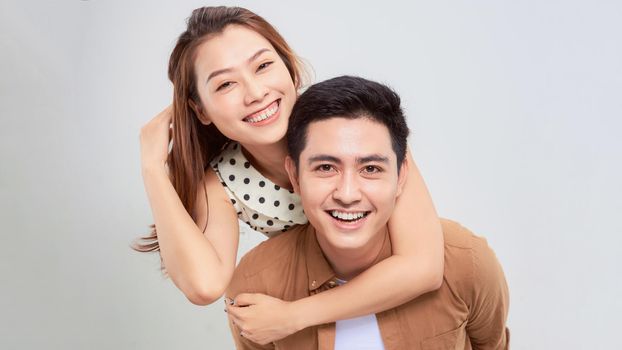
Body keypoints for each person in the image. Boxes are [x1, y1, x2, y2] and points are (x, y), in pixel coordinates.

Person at [136, 6, 444, 344]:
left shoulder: (351, 119)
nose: (255, 93)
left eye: (264, 66)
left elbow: (423, 267)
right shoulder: (223, 181)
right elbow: (205, 285)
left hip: (404, 305)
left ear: (290, 69)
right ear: (201, 110)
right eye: (225, 84)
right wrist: (153, 170)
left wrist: (294, 315)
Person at [226, 76, 510, 349]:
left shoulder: (465, 262)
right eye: (326, 167)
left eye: (370, 169)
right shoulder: (255, 285)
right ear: (295, 176)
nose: (347, 194)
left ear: (401, 177)